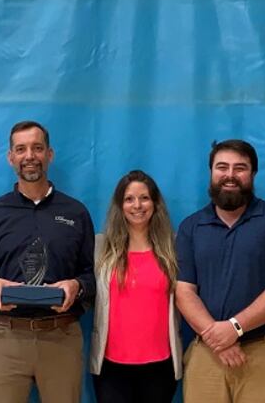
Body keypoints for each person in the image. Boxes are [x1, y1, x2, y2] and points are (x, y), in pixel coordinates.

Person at [0, 120, 95, 403]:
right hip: (6, 338)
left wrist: (76, 285)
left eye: (37, 148)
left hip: (61, 336)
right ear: (10, 157)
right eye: (21, 149)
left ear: (49, 155)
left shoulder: (76, 213)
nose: (29, 156)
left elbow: (91, 275)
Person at [175, 139, 265, 402]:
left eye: (239, 168)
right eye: (222, 167)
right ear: (211, 172)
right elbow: (184, 291)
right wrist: (218, 338)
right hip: (206, 353)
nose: (230, 175)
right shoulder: (190, 227)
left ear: (253, 174)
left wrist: (234, 328)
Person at [90, 170, 183, 403]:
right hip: (111, 367)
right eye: (129, 199)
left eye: (144, 198)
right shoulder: (100, 247)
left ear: (155, 203)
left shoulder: (174, 246)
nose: (137, 205)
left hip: (160, 366)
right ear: (120, 205)